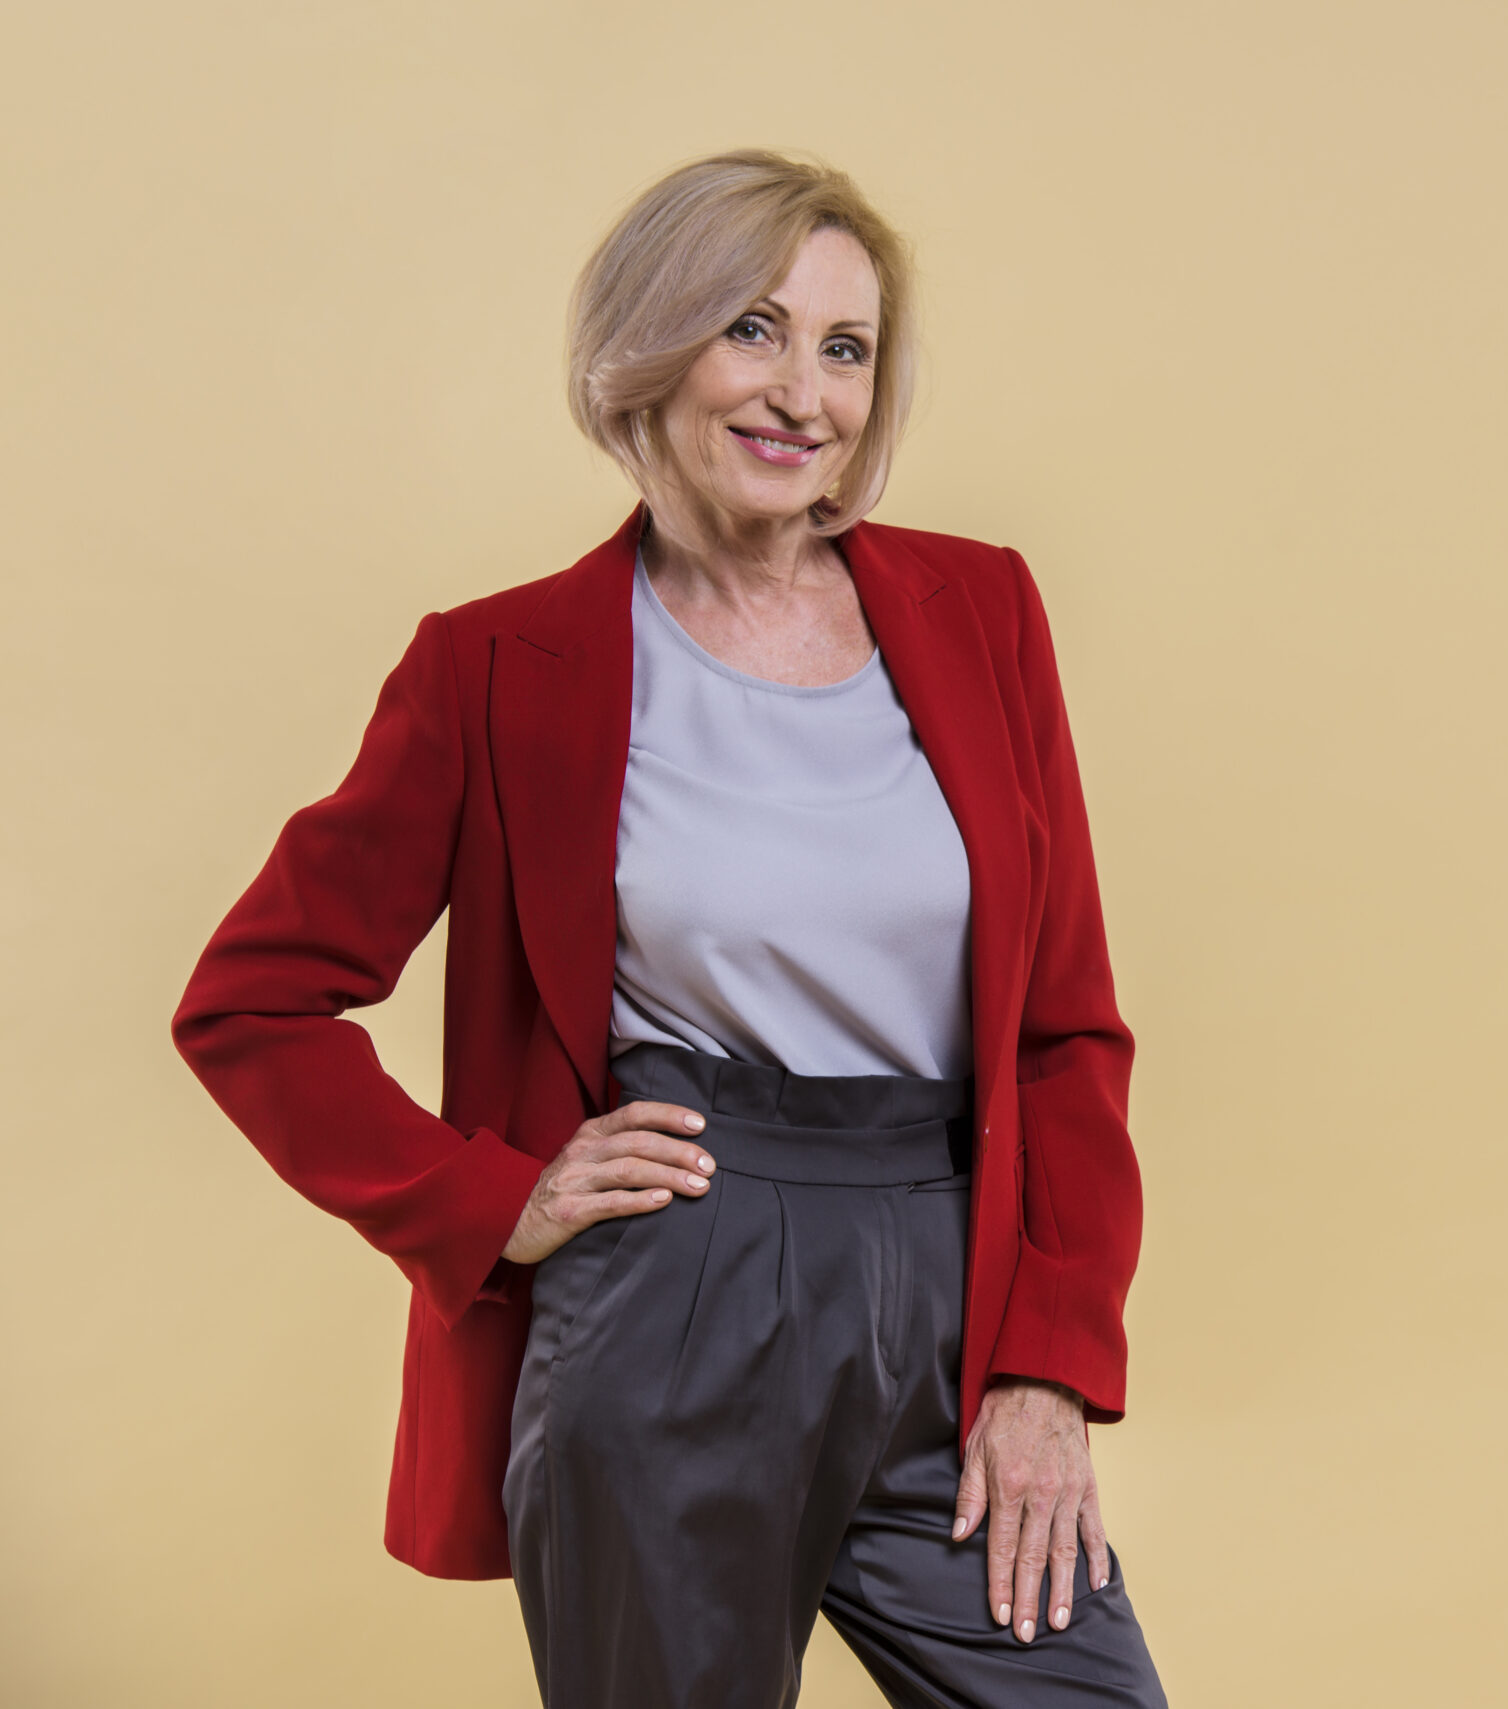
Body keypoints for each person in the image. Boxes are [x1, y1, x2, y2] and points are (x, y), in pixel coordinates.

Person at [171, 149, 1167, 1708]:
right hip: (675, 1283)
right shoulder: (496, 667)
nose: (802, 394)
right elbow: (251, 1002)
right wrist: (491, 1199)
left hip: (954, 1282)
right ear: (652, 345)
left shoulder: (982, 612)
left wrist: (1050, 1359)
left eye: (845, 348)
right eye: (752, 329)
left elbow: (1064, 1027)